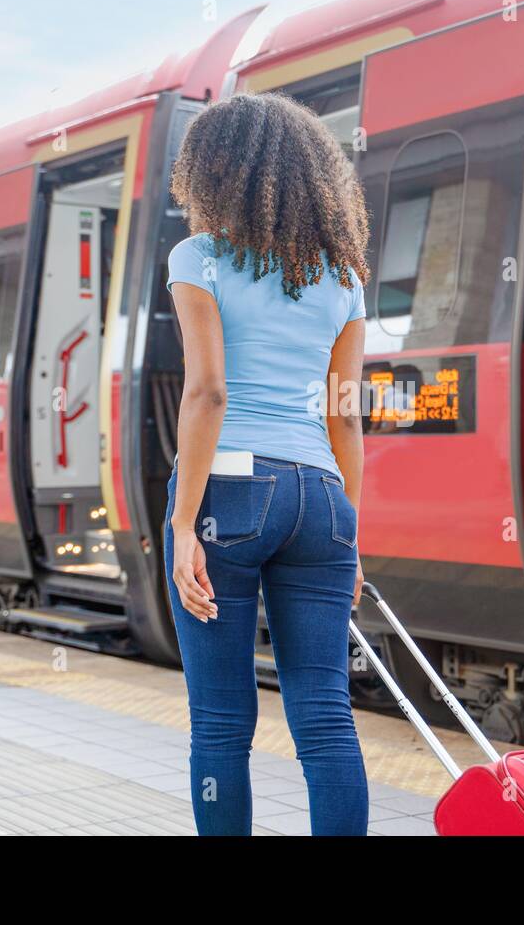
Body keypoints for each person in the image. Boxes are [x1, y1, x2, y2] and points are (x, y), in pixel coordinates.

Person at [163, 92, 371, 836]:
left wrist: (186, 523)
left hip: (233, 489)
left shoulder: (200, 258)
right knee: (324, 714)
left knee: (221, 722)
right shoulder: (343, 279)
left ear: (215, 173)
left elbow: (209, 391)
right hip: (323, 497)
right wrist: (352, 541)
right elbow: (344, 413)